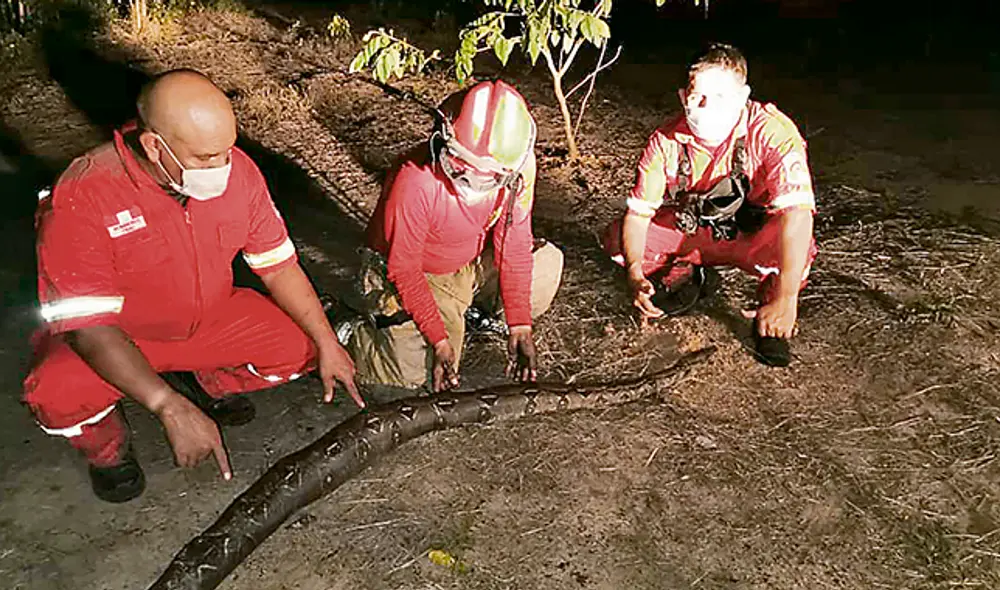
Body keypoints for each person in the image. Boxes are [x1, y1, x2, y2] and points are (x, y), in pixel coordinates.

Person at [22, 69, 363, 503]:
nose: (224, 167)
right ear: (154, 146)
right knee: (54, 394)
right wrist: (166, 406)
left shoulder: (238, 171)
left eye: (228, 150)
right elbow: (90, 329)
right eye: (206, 157)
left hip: (211, 319)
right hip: (122, 337)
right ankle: (108, 448)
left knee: (303, 348)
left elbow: (278, 266)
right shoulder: (83, 195)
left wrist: (327, 340)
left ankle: (208, 384)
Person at [603, 44, 817, 366]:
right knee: (618, 239)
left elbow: (798, 213)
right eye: (696, 96)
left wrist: (788, 297)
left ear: (743, 96)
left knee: (798, 249)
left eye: (720, 97)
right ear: (681, 96)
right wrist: (634, 274)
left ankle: (772, 315)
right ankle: (682, 276)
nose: (705, 106)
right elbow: (638, 214)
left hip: (751, 234)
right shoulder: (666, 139)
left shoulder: (773, 131)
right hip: (697, 230)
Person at [345, 80, 564, 391]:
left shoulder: (520, 170)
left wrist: (520, 324)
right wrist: (438, 339)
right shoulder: (415, 180)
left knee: (546, 264)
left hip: (468, 259)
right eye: (462, 165)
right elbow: (403, 269)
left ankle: (465, 309)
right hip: (416, 271)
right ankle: (347, 334)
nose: (472, 183)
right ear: (441, 139)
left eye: (489, 177)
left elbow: (514, 245)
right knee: (414, 370)